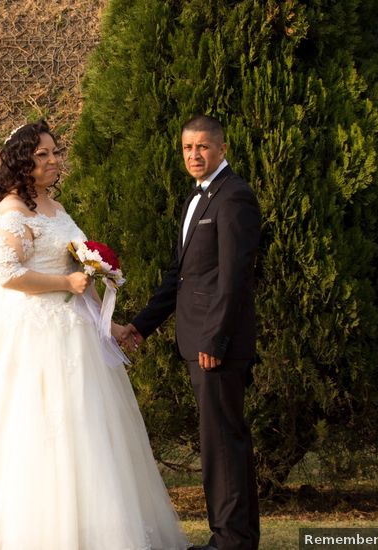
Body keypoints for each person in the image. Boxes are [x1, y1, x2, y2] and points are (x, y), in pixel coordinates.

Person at [0, 121, 189, 549]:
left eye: (55, 152)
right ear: (23, 163)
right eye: (43, 156)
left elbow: (75, 276)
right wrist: (65, 285)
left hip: (73, 333)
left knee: (84, 430)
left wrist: (109, 323)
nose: (53, 161)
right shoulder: (11, 211)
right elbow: (10, 274)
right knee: (29, 429)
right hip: (30, 337)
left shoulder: (54, 206)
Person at [115, 115, 261, 550]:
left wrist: (215, 340)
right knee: (222, 440)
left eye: (202, 147)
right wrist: (141, 326)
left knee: (222, 444)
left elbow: (234, 278)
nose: (194, 155)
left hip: (217, 346)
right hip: (198, 340)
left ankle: (229, 542)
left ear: (221, 148)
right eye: (187, 148)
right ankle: (237, 539)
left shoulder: (234, 197)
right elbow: (180, 276)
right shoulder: (195, 199)